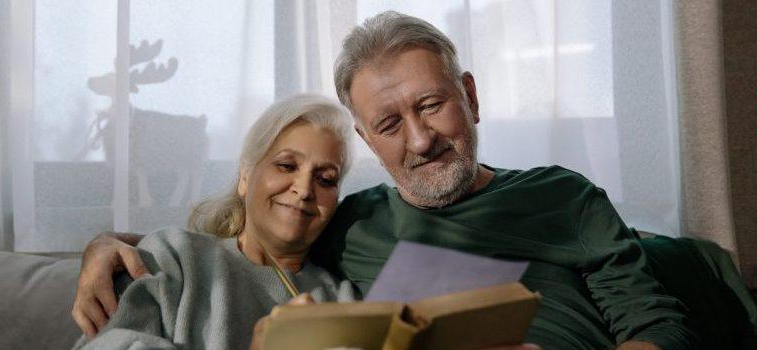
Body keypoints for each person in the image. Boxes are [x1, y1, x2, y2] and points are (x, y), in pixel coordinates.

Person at [72, 12, 698, 349]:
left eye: (432, 106)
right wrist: (106, 247)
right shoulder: (351, 222)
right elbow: (245, 237)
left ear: (470, 97)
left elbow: (659, 325)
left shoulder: (564, 196)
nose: (421, 141)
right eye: (390, 123)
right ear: (368, 140)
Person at [73, 94, 358, 349]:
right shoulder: (173, 257)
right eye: (286, 165)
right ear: (245, 177)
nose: (305, 189)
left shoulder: (342, 300)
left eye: (326, 179)